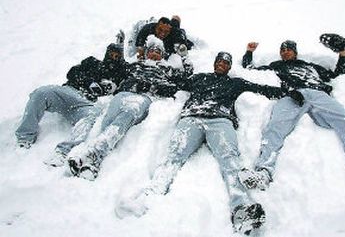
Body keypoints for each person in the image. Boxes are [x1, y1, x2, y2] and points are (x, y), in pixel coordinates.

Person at [114, 51, 304, 235]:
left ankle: (241, 208)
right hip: (191, 118)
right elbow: (174, 85)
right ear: (214, 64)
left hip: (220, 120)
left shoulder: (235, 83)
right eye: (219, 61)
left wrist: (289, 93)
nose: (221, 64)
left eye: (225, 62)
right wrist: (148, 85)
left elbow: (263, 89)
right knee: (174, 157)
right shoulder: (198, 78)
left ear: (229, 67)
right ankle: (148, 197)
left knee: (229, 159)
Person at [238, 36, 345, 194]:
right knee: (275, 128)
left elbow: (338, 72)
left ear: (295, 52)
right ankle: (263, 172)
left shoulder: (310, 66)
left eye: (288, 49)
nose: (285, 52)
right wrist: (249, 52)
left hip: (318, 94)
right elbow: (250, 69)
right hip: (292, 96)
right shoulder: (277, 66)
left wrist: (343, 52)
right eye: (282, 50)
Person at [68, 35, 193, 180]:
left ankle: (93, 154)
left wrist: (184, 58)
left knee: (127, 114)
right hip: (123, 93)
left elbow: (185, 79)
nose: (154, 53)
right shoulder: (134, 65)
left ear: (162, 55)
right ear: (147, 52)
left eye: (158, 52)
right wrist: (119, 47)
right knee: (109, 120)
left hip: (142, 97)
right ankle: (92, 163)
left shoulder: (167, 69)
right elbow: (115, 65)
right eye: (152, 50)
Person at [15, 33, 129, 167]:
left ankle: (63, 151)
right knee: (41, 92)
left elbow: (128, 81)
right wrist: (89, 82)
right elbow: (72, 72)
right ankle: (25, 137)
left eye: (117, 56)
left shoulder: (120, 74)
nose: (113, 57)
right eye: (111, 54)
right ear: (106, 53)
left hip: (86, 104)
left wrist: (112, 87)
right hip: (68, 92)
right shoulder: (92, 62)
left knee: (93, 117)